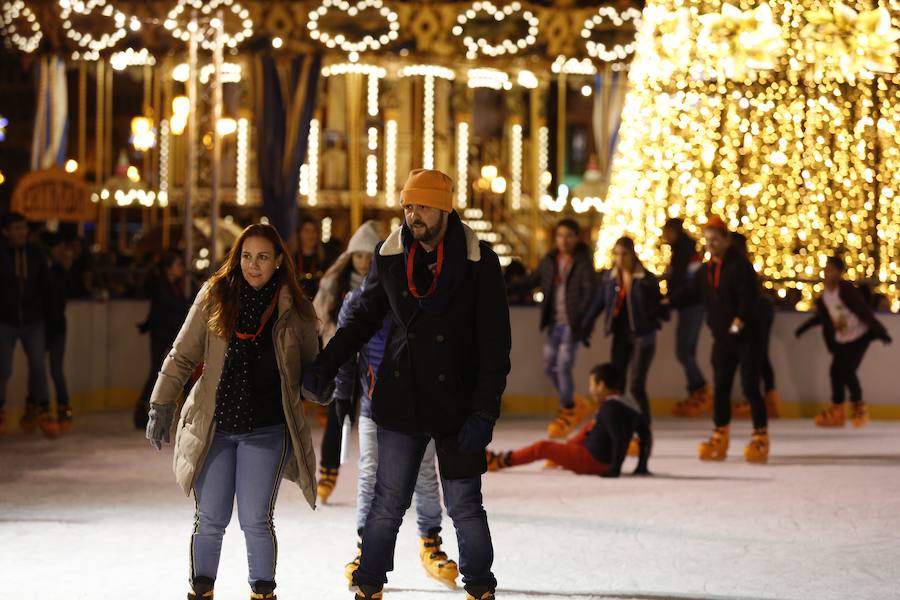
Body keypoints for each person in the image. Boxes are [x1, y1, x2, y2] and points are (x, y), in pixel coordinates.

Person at [302, 168, 511, 600]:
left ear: (444, 208)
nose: (413, 215)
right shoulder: (391, 255)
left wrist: (485, 410)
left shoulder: (479, 262)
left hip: (458, 401)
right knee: (388, 499)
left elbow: (495, 345)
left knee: (465, 503)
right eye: (409, 206)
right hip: (402, 397)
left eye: (422, 206)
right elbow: (362, 318)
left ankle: (480, 584)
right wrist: (326, 365)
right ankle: (369, 580)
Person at [145, 224, 322, 600]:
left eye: (262, 257)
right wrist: (161, 402)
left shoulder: (295, 310)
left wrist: (324, 386)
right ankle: (201, 590)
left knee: (256, 520)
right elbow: (182, 354)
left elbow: (314, 368)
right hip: (215, 427)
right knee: (210, 518)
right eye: (246, 256)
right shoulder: (215, 295)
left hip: (267, 429)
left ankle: (262, 592)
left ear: (278, 262)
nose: (253, 265)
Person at [335, 287, 459, 589]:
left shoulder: (423, 293)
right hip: (372, 404)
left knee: (425, 472)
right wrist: (342, 393)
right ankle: (368, 547)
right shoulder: (358, 298)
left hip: (418, 407)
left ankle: (429, 539)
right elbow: (346, 347)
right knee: (369, 474)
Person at [667, 216, 769, 463]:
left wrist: (740, 319)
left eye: (715, 239)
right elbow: (691, 294)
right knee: (721, 387)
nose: (711, 244)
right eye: (708, 240)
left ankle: (760, 436)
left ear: (726, 240)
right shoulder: (707, 269)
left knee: (749, 386)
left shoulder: (740, 266)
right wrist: (666, 301)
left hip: (746, 337)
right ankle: (720, 433)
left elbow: (749, 296)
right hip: (722, 337)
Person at [312, 220, 382, 503]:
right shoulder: (335, 283)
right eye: (358, 255)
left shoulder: (380, 284)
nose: (363, 262)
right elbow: (319, 316)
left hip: (370, 364)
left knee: (372, 419)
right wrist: (335, 339)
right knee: (336, 415)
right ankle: (327, 470)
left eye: (368, 256)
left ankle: (381, 477)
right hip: (342, 359)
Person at [486, 363, 649, 477]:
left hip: (591, 460)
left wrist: (615, 469)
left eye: (591, 384)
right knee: (585, 431)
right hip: (596, 457)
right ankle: (560, 457)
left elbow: (618, 438)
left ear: (601, 385)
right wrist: (641, 466)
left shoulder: (609, 408)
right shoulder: (630, 406)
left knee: (542, 447)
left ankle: (501, 461)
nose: (590, 389)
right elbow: (646, 434)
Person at [582, 236, 659, 469]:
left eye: (624, 254)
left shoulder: (645, 279)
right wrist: (586, 324)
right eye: (616, 254)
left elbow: (655, 306)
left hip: (642, 337)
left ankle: (644, 430)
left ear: (633, 255)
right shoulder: (609, 278)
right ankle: (618, 428)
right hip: (620, 336)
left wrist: (653, 317)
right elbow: (599, 303)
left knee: (636, 385)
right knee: (617, 387)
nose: (619, 259)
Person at [795, 255, 891, 428]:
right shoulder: (825, 295)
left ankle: (859, 407)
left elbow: (862, 310)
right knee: (835, 372)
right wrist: (804, 327)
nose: (826, 272)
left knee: (847, 371)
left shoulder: (845, 290)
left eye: (830, 269)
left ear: (839, 273)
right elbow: (822, 317)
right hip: (842, 338)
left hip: (859, 336)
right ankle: (837, 410)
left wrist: (880, 331)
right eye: (826, 268)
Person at [527, 218, 597, 439]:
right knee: (550, 366)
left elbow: (590, 293)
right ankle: (575, 403)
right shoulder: (550, 260)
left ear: (576, 238)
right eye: (560, 236)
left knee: (563, 365)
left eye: (568, 236)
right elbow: (534, 280)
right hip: (554, 323)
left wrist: (583, 322)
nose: (564, 241)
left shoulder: (583, 263)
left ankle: (568, 409)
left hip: (572, 325)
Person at [0, 212, 56, 437]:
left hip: (34, 320)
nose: (21, 232)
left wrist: (50, 319)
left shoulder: (36, 254)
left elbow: (47, 287)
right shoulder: (1, 254)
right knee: (3, 368)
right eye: (16, 228)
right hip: (5, 320)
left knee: (38, 366)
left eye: (23, 228)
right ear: (5, 231)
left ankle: (41, 407)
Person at [133, 250, 191, 430]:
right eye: (178, 265)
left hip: (170, 333)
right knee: (157, 372)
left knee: (182, 371)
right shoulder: (161, 285)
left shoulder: (175, 285)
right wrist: (190, 305)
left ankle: (190, 408)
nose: (181, 268)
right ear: (169, 268)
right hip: (161, 334)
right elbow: (168, 306)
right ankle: (142, 411)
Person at [662, 218, 712, 417]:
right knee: (685, 350)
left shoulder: (685, 252)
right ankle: (696, 389)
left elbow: (687, 283)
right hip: (688, 305)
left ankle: (700, 388)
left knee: (683, 350)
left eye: (667, 232)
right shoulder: (681, 251)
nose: (665, 237)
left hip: (692, 305)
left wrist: (671, 300)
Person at [730, 232, 780, 419]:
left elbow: (746, 300)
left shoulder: (740, 267)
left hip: (756, 315)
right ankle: (769, 398)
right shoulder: (743, 266)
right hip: (758, 312)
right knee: (760, 354)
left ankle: (760, 400)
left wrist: (737, 324)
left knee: (754, 355)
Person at [43, 233, 74, 433]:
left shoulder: (60, 271)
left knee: (55, 370)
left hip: (56, 326)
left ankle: (63, 407)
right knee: (39, 369)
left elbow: (68, 292)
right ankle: (42, 406)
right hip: (41, 324)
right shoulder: (42, 270)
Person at [295, 213, 338, 299]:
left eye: (313, 231)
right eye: (306, 231)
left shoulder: (326, 257)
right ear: (299, 234)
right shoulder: (292, 257)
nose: (310, 235)